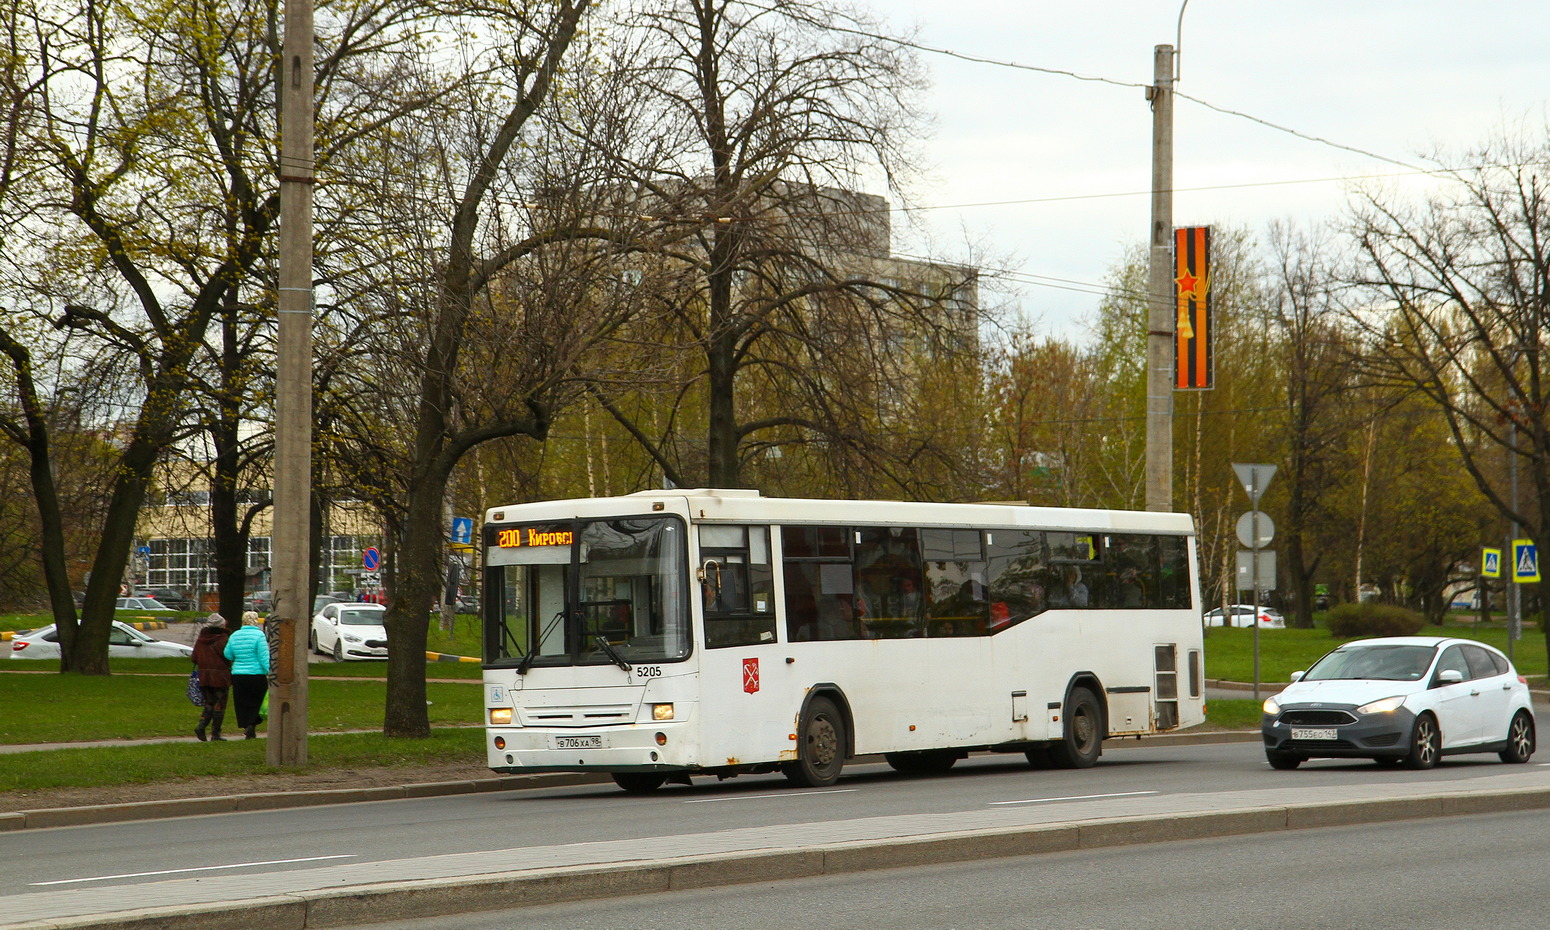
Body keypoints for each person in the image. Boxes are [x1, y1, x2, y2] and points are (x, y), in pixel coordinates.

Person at [224, 610, 271, 740]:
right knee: (257, 701)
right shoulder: (259, 636)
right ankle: (252, 724)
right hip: (256, 674)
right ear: (256, 621)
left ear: (243, 621)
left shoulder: (234, 635)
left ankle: (246, 726)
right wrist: (269, 671)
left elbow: (228, 654)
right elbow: (263, 656)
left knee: (242, 702)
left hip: (238, 675)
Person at [192, 613, 233, 741]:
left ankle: (201, 726)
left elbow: (194, 658)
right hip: (221, 677)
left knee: (209, 703)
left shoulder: (201, 639)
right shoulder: (224, 639)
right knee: (219, 704)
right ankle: (216, 734)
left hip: (204, 676)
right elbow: (229, 656)